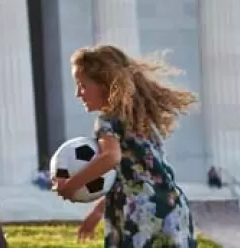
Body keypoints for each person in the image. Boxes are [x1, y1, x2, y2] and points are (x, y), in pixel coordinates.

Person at [52, 44, 198, 247]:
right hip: (172, 207)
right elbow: (135, 179)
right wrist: (97, 212)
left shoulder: (107, 121)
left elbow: (111, 157)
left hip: (139, 215)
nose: (78, 93)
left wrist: (71, 185)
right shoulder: (139, 120)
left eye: (82, 85)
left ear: (104, 84)